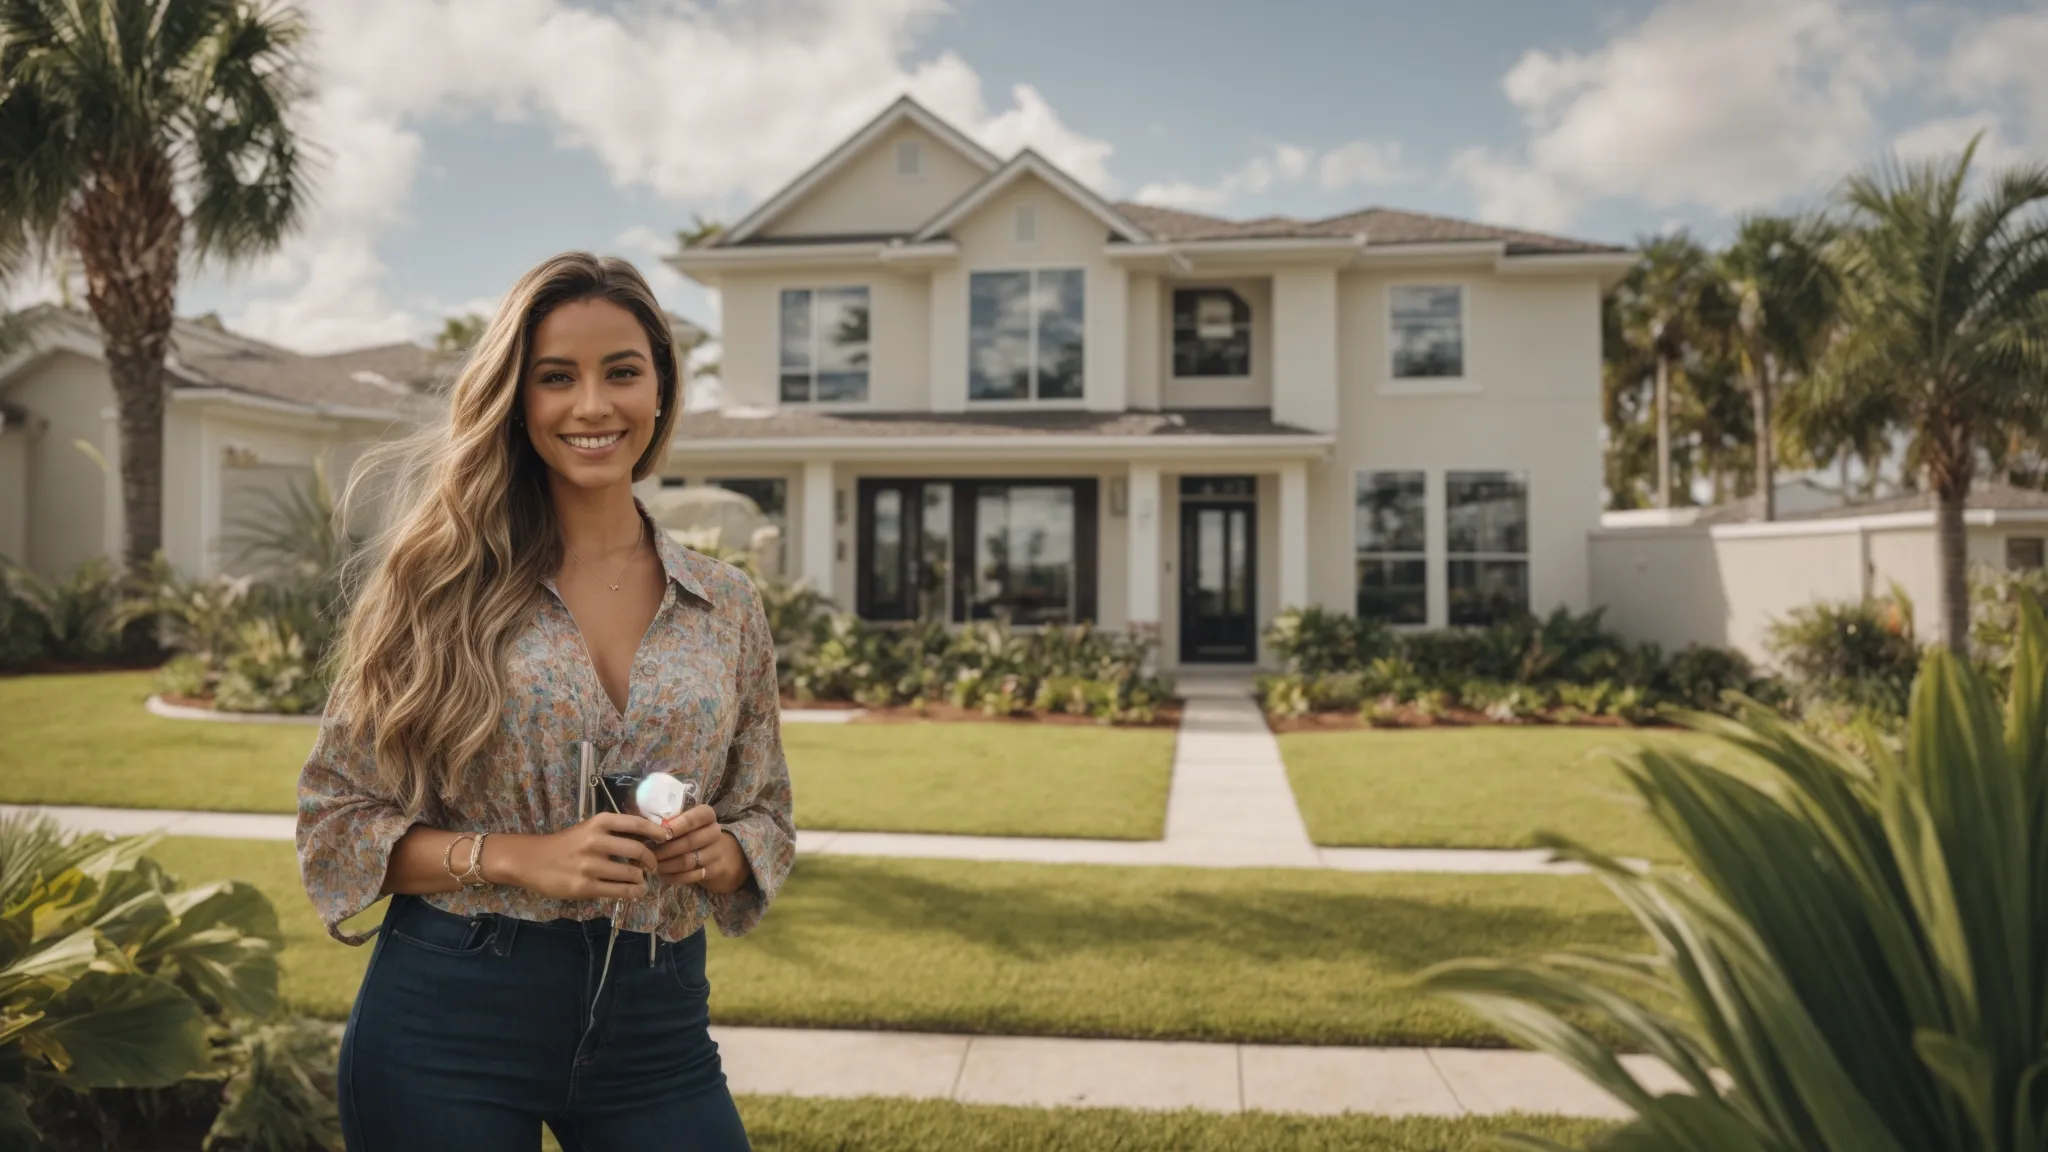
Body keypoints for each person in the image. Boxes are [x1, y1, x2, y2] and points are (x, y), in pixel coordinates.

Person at [297, 252, 792, 1151]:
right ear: (516, 401)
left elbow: (766, 816)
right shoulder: (435, 586)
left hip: (657, 1018)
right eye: (556, 377)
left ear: (661, 390)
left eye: (622, 373)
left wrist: (719, 854)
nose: (593, 406)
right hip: (450, 1019)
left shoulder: (727, 608)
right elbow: (336, 822)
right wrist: (523, 859)